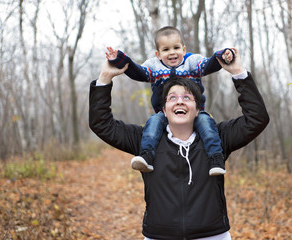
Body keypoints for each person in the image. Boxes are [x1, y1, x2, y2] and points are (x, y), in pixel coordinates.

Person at [89, 47, 269, 239]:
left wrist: (238, 73)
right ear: (164, 110)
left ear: (198, 109)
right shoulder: (145, 141)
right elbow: (101, 124)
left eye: (187, 98)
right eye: (172, 98)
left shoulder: (217, 138)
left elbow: (257, 119)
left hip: (212, 234)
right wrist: (105, 77)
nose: (180, 102)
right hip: (159, 235)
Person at [105, 26, 234, 176]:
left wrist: (223, 55)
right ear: (158, 54)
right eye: (166, 50)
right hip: (163, 112)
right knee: (153, 123)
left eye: (176, 47)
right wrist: (120, 59)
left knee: (207, 124)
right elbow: (138, 72)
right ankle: (147, 155)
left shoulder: (191, 62)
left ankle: (216, 158)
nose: (172, 52)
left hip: (195, 112)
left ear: (184, 49)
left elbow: (208, 65)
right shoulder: (154, 66)